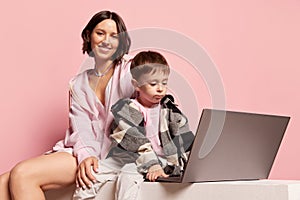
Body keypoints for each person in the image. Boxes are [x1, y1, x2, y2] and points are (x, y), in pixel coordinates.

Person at [0, 10, 133, 200]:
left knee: (22, 174)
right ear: (89, 36)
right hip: (82, 151)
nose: (106, 41)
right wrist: (86, 155)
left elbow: (153, 93)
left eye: (114, 36)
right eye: (100, 33)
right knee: (2, 183)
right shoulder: (78, 83)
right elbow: (81, 128)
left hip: (112, 155)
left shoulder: (130, 71)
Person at [73, 51, 194, 200]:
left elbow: (184, 140)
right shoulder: (126, 109)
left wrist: (179, 165)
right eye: (153, 84)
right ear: (136, 85)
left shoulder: (170, 111)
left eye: (164, 82)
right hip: (129, 156)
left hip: (160, 158)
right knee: (92, 176)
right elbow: (135, 142)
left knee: (128, 173)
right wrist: (151, 164)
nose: (160, 89)